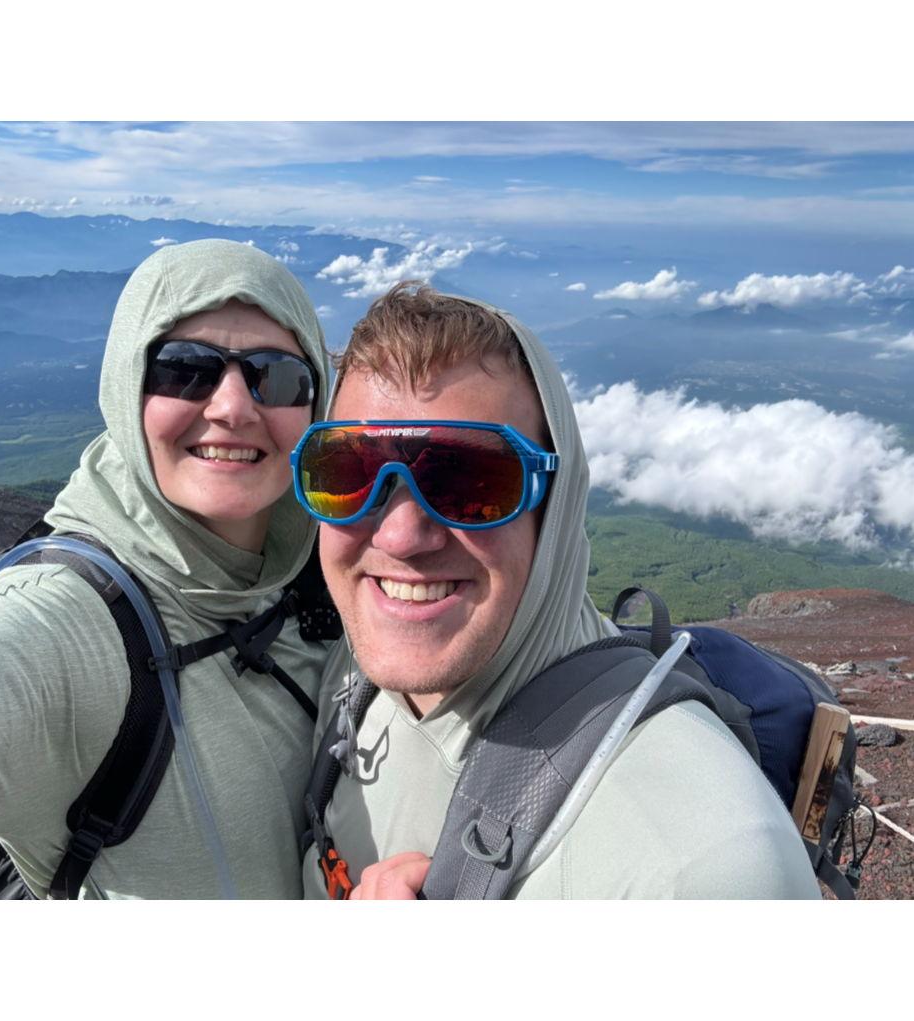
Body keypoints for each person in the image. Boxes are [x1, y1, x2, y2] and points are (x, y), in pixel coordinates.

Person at [293, 282, 821, 899]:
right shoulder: (346, 684)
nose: (403, 534)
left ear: (560, 506)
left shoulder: (707, 863)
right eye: (348, 470)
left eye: (470, 479)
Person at [0, 239, 332, 899]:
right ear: (126, 386)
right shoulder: (50, 633)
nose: (233, 407)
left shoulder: (337, 568)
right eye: (185, 369)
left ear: (315, 402)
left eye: (275, 375)